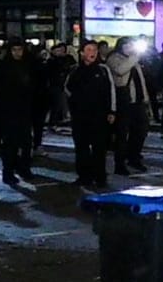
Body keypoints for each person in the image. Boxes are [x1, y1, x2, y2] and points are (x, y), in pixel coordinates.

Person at [65, 40, 118, 188]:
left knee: (99, 148)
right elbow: (67, 89)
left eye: (94, 49)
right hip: (80, 117)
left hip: (99, 116)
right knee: (81, 148)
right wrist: (75, 106)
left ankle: (100, 177)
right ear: (82, 53)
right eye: (88, 49)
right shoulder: (75, 70)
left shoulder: (103, 70)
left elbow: (111, 91)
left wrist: (111, 111)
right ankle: (83, 176)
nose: (92, 53)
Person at [0, 39, 42, 185]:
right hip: (8, 109)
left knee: (26, 141)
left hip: (25, 108)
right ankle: (8, 171)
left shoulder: (29, 65)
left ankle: (24, 168)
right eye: (14, 50)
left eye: (20, 50)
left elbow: (36, 85)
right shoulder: (2, 66)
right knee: (10, 143)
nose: (17, 53)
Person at [106, 38, 152, 175]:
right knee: (122, 133)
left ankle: (134, 157)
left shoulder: (134, 60)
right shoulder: (114, 58)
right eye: (128, 45)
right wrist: (133, 58)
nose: (131, 48)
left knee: (140, 130)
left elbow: (140, 80)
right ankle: (119, 164)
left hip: (137, 101)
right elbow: (120, 71)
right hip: (124, 101)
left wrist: (145, 98)